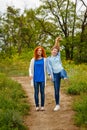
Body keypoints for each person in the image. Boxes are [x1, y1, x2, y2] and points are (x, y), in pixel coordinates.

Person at [47, 36, 68, 111]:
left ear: (57, 52)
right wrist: (49, 75)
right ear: (51, 51)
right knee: (56, 90)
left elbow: (57, 47)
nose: (54, 51)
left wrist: (56, 41)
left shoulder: (58, 56)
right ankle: (57, 105)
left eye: (56, 51)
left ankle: (65, 77)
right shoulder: (48, 59)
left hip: (60, 71)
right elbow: (48, 68)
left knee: (62, 71)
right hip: (55, 75)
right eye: (53, 50)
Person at [29, 46, 47, 111]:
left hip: (42, 78)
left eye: (41, 50)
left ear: (42, 52)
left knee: (42, 92)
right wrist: (30, 74)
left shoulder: (45, 60)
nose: (39, 51)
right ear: (36, 52)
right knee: (36, 92)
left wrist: (50, 74)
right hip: (35, 79)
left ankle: (42, 106)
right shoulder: (33, 60)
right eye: (38, 50)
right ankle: (37, 106)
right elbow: (30, 69)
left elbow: (47, 68)